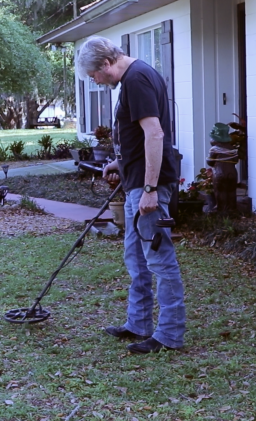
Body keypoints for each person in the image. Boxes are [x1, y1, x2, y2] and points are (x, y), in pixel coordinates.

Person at [77, 36, 185, 354]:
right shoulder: (135, 78)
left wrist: (150, 190)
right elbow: (139, 136)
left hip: (149, 187)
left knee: (160, 261)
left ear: (106, 63)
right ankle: (138, 323)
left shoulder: (136, 79)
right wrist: (119, 162)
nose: (95, 80)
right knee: (136, 259)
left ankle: (169, 334)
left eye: (94, 74)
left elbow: (155, 133)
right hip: (135, 181)